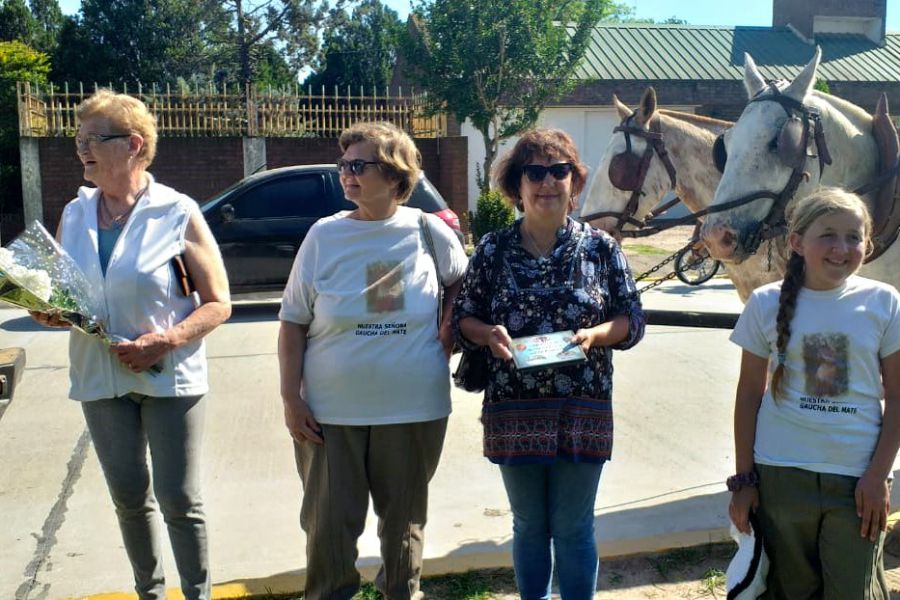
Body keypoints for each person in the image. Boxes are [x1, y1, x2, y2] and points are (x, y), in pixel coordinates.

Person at [29, 89, 231, 600]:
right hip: (100, 378)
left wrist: (168, 339)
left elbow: (218, 302)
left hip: (169, 377)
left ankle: (197, 595)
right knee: (128, 498)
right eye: (79, 140)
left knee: (178, 499)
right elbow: (66, 297)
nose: (82, 149)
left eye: (95, 139)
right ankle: (150, 593)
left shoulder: (176, 211)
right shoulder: (74, 214)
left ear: (134, 144)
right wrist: (49, 312)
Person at [278, 121, 467, 600]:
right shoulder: (323, 236)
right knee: (327, 533)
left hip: (412, 408)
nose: (348, 174)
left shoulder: (428, 231)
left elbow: (462, 283)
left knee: (403, 530)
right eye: (344, 165)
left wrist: (450, 323)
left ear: (395, 174)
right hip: (329, 414)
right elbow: (293, 322)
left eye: (360, 165)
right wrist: (289, 397)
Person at [453, 128, 646, 599]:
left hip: (583, 407)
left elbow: (632, 319)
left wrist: (599, 334)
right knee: (529, 525)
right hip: (513, 410)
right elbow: (464, 318)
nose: (546, 182)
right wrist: (487, 333)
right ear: (516, 186)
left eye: (558, 171)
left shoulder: (601, 249)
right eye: (533, 172)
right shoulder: (493, 251)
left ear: (574, 183)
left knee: (575, 527)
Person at [728, 188, 900, 599]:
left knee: (852, 590)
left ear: (867, 244)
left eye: (854, 237)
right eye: (828, 235)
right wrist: (744, 480)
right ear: (796, 242)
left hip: (857, 481)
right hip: (780, 477)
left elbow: (897, 398)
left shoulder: (884, 302)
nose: (842, 248)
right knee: (791, 589)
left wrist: (878, 475)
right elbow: (749, 394)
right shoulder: (765, 303)